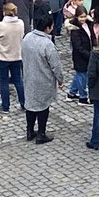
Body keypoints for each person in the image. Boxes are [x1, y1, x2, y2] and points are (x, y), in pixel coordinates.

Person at [21, 14, 62, 144]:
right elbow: (56, 66)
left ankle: (29, 131)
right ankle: (41, 134)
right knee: (43, 107)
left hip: (29, 76)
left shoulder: (27, 37)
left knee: (31, 105)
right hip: (44, 80)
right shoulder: (47, 44)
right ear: (48, 28)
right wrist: (60, 79)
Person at [0, 3, 25, 113]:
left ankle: (5, 106)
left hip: (2, 58)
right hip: (16, 56)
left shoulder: (0, 26)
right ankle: (24, 103)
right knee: (18, 81)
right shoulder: (21, 23)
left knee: (3, 82)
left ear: (4, 12)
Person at [66, 6, 97, 105]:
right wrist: (90, 55)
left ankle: (72, 93)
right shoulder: (75, 29)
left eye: (84, 16)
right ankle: (82, 97)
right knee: (82, 75)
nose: (83, 19)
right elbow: (78, 47)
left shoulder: (89, 24)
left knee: (79, 75)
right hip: (80, 56)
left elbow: (93, 37)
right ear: (76, 17)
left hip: (88, 53)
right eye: (80, 17)